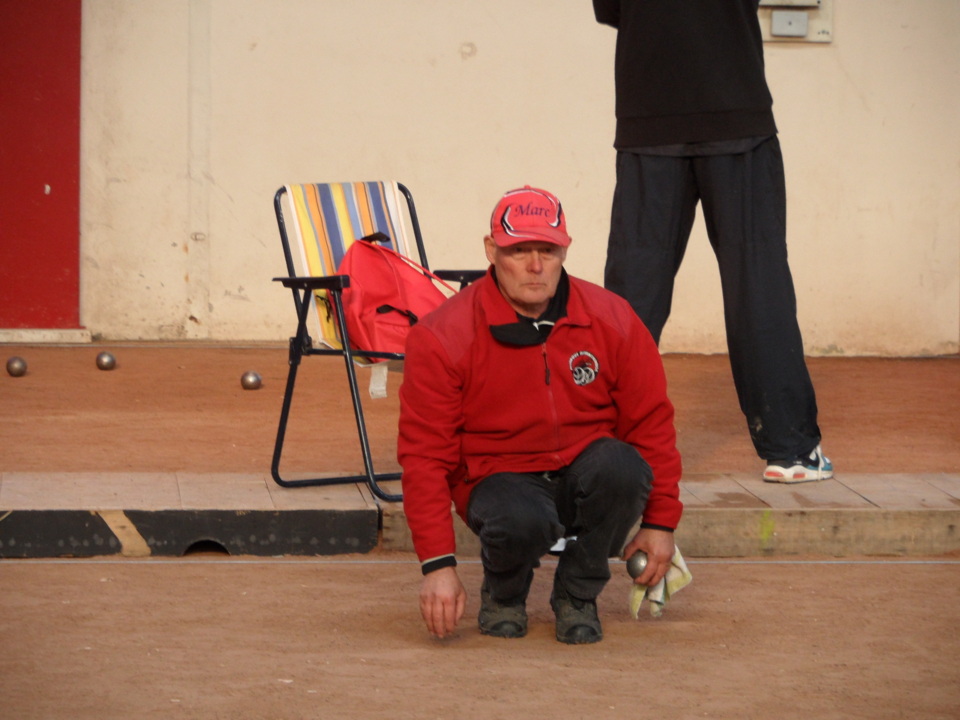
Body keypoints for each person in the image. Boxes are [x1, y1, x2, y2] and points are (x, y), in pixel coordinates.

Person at [398, 186, 683, 644]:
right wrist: (437, 565)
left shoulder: (614, 318)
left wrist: (660, 523)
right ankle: (505, 594)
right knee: (521, 517)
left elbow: (652, 425)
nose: (535, 266)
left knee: (624, 468)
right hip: (497, 478)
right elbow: (425, 456)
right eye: (518, 251)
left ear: (564, 249)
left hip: (585, 468)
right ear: (491, 251)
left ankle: (578, 594)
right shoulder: (441, 336)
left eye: (547, 250)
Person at [593, 0, 833, 483]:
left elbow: (611, 9)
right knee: (757, 285)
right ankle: (790, 450)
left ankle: (601, 444)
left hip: (650, 117)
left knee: (632, 294)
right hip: (736, 114)